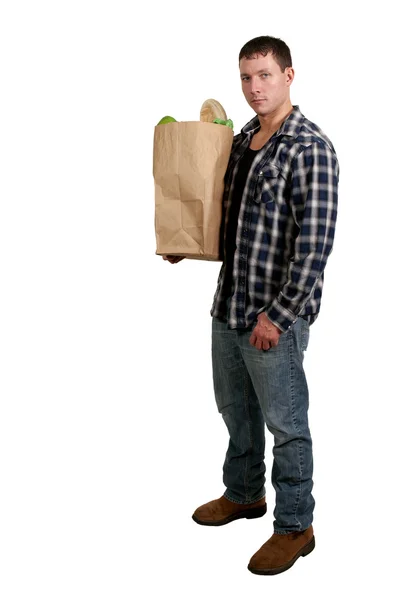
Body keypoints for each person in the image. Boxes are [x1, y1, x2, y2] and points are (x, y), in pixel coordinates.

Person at [163, 35, 339, 575]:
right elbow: (231, 219)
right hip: (229, 305)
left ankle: (295, 525)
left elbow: (314, 248)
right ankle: (243, 494)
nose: (254, 87)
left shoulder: (310, 148)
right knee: (235, 411)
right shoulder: (242, 140)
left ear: (289, 75)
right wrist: (187, 244)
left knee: (285, 425)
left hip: (272, 317)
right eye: (245, 77)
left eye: (264, 75)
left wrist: (278, 318)